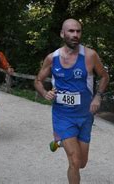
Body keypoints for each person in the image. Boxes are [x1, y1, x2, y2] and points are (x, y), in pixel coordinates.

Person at [34, 18, 109, 184]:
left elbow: (104, 76)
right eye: (71, 31)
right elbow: (38, 80)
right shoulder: (52, 58)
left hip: (85, 116)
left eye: (78, 31)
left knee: (82, 163)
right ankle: (62, 138)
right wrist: (44, 93)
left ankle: (59, 142)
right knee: (74, 162)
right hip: (63, 116)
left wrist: (98, 96)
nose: (75, 35)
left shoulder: (90, 55)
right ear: (62, 34)